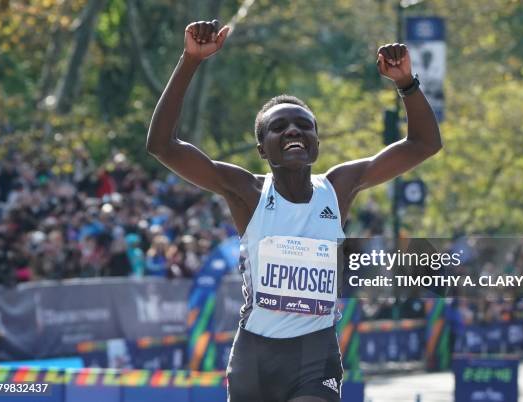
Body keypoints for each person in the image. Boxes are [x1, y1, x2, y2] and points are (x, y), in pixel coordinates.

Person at [147, 19, 441, 402]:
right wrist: (190, 60)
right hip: (255, 354)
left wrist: (407, 84)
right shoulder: (246, 192)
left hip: (314, 351)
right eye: (279, 126)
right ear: (261, 149)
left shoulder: (338, 188)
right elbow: (162, 146)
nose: (292, 131)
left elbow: (424, 144)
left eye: (304, 125)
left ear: (317, 143)